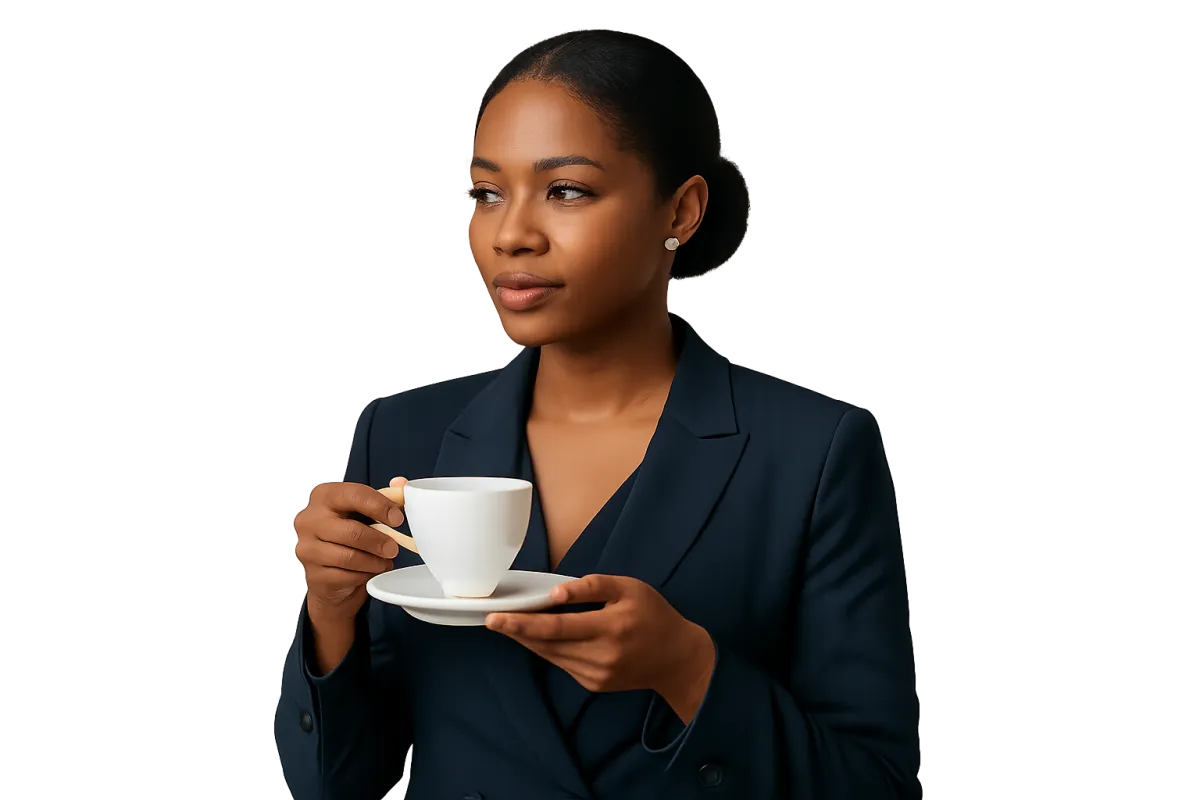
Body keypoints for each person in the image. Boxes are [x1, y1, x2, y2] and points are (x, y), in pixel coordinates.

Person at [275, 28, 921, 800]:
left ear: (679, 210)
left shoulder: (811, 457)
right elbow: (331, 788)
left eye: (566, 190)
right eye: (487, 193)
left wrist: (689, 672)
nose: (511, 233)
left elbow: (876, 786)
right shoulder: (401, 436)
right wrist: (329, 614)